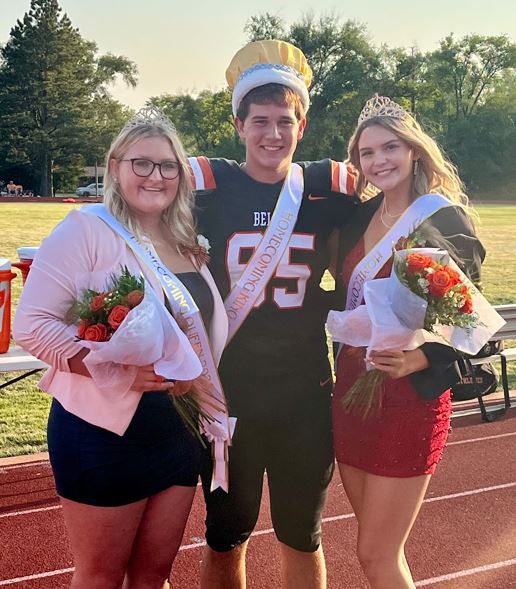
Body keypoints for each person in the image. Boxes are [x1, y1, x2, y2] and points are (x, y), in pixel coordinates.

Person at [13, 106, 229, 589]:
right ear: (116, 166)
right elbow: (31, 324)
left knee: (153, 577)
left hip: (178, 432)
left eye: (168, 166)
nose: (156, 176)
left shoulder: (188, 242)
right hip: (101, 434)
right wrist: (118, 373)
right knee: (100, 577)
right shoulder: (87, 228)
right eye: (142, 163)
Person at [189, 40, 358, 589]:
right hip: (227, 392)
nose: (272, 134)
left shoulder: (327, 188)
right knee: (226, 536)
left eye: (284, 121)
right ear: (238, 125)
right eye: (259, 121)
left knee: (302, 536)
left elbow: (391, 223)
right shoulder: (206, 186)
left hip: (304, 391)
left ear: (302, 125)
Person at [330, 95, 485, 588]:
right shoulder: (355, 218)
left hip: (409, 400)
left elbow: (471, 318)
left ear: (414, 150)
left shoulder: (445, 218)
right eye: (367, 154)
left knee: (376, 553)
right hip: (353, 389)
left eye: (390, 147)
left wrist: (421, 357)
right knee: (371, 549)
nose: (379, 161)